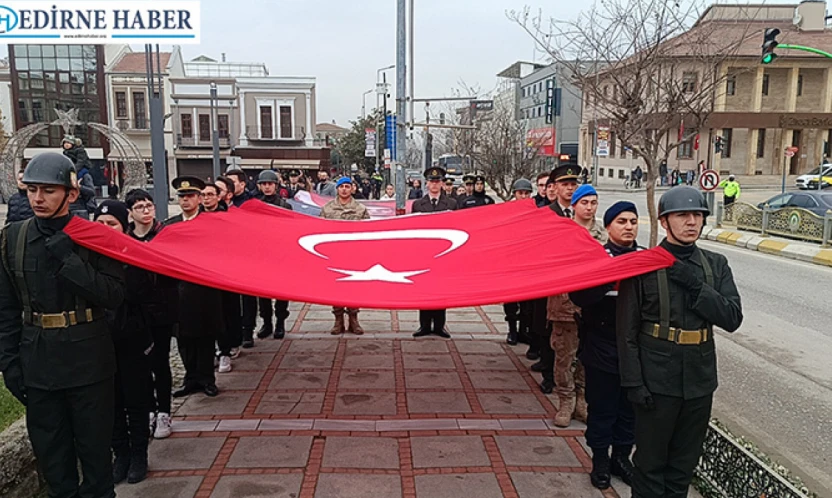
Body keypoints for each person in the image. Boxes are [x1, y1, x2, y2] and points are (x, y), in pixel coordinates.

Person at [0, 152, 125, 498]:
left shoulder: (94, 237)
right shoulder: (13, 238)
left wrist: (68, 259)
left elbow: (113, 295)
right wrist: (10, 365)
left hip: (88, 364)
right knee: (54, 465)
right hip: (39, 363)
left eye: (48, 190)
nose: (38, 198)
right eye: (32, 190)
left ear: (71, 194)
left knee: (96, 463)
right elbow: (7, 309)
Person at [617, 186, 743, 497]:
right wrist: (633, 383)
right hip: (656, 381)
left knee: (682, 468)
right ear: (664, 222)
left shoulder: (716, 265)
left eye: (698, 215)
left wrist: (695, 285)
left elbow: (731, 318)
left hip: (699, 381)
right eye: (682, 215)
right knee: (649, 466)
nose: (692, 222)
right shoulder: (644, 265)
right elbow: (627, 331)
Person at [570, 201, 640, 490]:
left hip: (636, 351)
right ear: (608, 226)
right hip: (601, 346)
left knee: (629, 409)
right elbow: (578, 297)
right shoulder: (597, 258)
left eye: (633, 221)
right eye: (621, 221)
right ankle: (600, 460)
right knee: (602, 408)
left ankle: (621, 458)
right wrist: (610, 276)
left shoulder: (645, 259)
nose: (628, 227)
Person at [94, 200, 153, 485]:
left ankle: (139, 454)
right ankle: (121, 454)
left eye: (112, 224)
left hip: (132, 339)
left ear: (123, 226)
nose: (105, 229)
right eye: (100, 224)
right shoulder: (87, 256)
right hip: (99, 341)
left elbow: (143, 294)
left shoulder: (135, 253)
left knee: (136, 400)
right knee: (111, 401)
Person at [548, 183, 606, 427]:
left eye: (593, 203)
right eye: (584, 202)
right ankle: (565, 400)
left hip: (593, 307)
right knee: (564, 356)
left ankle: (582, 399)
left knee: (587, 357)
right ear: (574, 206)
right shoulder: (562, 232)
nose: (589, 207)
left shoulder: (603, 234)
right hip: (564, 306)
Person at [124, 189, 177, 441]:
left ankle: (164, 411)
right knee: (141, 364)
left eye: (149, 205)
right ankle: (149, 409)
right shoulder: (125, 239)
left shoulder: (165, 235)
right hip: (136, 312)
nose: (145, 211)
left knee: (160, 362)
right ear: (130, 212)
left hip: (162, 309)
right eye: (139, 207)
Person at [165, 176, 223, 398]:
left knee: (206, 336)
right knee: (184, 338)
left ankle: (207, 379)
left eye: (190, 196)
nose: (185, 200)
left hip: (205, 290)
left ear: (199, 198)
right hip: (178, 291)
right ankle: (191, 379)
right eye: (182, 197)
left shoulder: (212, 224)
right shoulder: (170, 226)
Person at [533, 164, 581, 395]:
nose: (570, 188)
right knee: (548, 330)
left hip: (575, 285)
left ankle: (572, 379)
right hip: (549, 283)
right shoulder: (546, 215)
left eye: (573, 184)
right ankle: (549, 376)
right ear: (555, 187)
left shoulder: (582, 211)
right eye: (565, 184)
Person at [320, 177, 370, 334]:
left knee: (353, 288)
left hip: (354, 255)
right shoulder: (327, 209)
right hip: (334, 255)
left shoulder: (360, 209)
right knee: (336, 288)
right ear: (337, 189)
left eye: (347, 186)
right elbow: (320, 231)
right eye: (341, 187)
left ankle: (354, 319)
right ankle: (338, 320)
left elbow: (368, 232)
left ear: (352, 189)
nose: (344, 189)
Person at [412, 167, 457, 339]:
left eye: (438, 181)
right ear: (427, 184)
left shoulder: (451, 204)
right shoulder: (418, 204)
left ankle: (439, 326)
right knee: (425, 289)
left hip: (445, 253)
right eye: (432, 181)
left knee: (441, 289)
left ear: (442, 184)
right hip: (424, 254)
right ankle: (424, 325)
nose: (435, 184)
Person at [253, 170, 293, 342]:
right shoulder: (255, 206)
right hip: (262, 256)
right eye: (264, 184)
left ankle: (280, 323)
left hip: (281, 255)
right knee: (263, 293)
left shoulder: (285, 206)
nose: (267, 187)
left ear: (276, 186)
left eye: (270, 184)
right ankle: (267, 323)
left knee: (282, 293)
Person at [225, 170, 257, 348]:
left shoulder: (252, 203)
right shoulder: (221, 204)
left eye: (232, 182)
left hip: (248, 256)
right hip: (227, 256)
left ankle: (247, 330)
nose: (229, 186)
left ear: (242, 184)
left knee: (248, 297)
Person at [503, 178, 534, 346]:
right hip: (511, 262)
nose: (523, 196)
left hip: (528, 263)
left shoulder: (535, 212)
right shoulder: (507, 212)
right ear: (515, 194)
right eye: (521, 193)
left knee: (527, 302)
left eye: (526, 193)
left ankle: (523, 330)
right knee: (511, 301)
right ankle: (512, 330)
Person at [62, 137, 97, 218]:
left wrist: (79, 186)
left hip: (80, 209)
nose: (66, 145)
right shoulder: (65, 155)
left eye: (68, 143)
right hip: (67, 210)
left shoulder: (84, 175)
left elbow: (91, 192)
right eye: (65, 143)